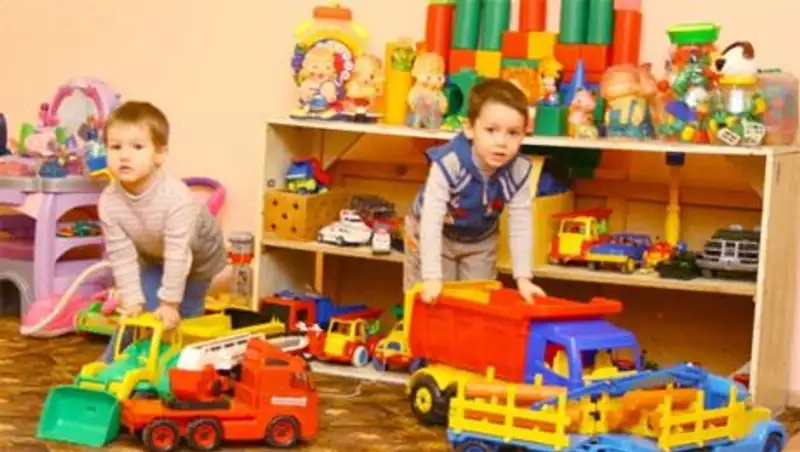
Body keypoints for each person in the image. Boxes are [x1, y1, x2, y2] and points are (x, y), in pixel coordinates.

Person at [97, 101, 227, 362]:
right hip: (152, 252)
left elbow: (179, 254)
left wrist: (169, 303)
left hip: (198, 254)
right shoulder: (109, 202)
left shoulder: (175, 197)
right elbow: (122, 256)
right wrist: (131, 300)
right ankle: (110, 365)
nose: (124, 156)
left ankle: (178, 368)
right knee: (139, 311)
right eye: (116, 147)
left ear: (159, 154)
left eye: (137, 147)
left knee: (183, 313)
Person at [404, 78, 546, 303]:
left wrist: (523, 278)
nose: (501, 141)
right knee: (432, 301)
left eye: (513, 133)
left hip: (480, 239)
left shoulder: (518, 169)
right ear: (470, 128)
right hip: (435, 234)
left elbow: (521, 221)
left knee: (476, 300)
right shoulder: (450, 162)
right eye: (491, 130)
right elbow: (431, 218)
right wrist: (431, 276)